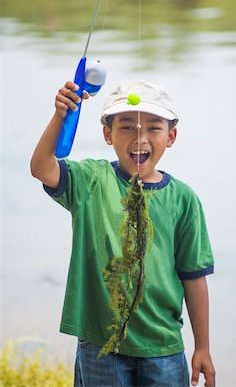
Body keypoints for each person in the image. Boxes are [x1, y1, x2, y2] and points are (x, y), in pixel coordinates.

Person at [30, 78, 216, 387]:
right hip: (101, 346)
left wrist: (203, 346)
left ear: (171, 137)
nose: (140, 137)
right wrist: (61, 115)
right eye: (127, 127)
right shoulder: (91, 180)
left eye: (153, 128)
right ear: (107, 134)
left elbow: (193, 276)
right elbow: (42, 167)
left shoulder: (184, 199)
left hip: (163, 347)